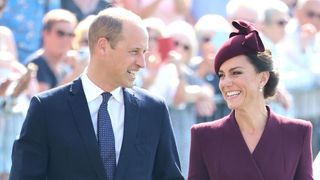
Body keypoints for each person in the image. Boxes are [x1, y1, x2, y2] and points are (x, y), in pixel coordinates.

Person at [9, 7, 183, 180]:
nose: (142, 63)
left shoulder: (154, 109)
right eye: (134, 51)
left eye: (144, 52)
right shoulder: (46, 109)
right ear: (103, 46)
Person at [188, 20, 314, 180]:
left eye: (236, 73)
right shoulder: (204, 136)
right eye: (221, 75)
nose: (226, 83)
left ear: (262, 78)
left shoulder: (297, 132)